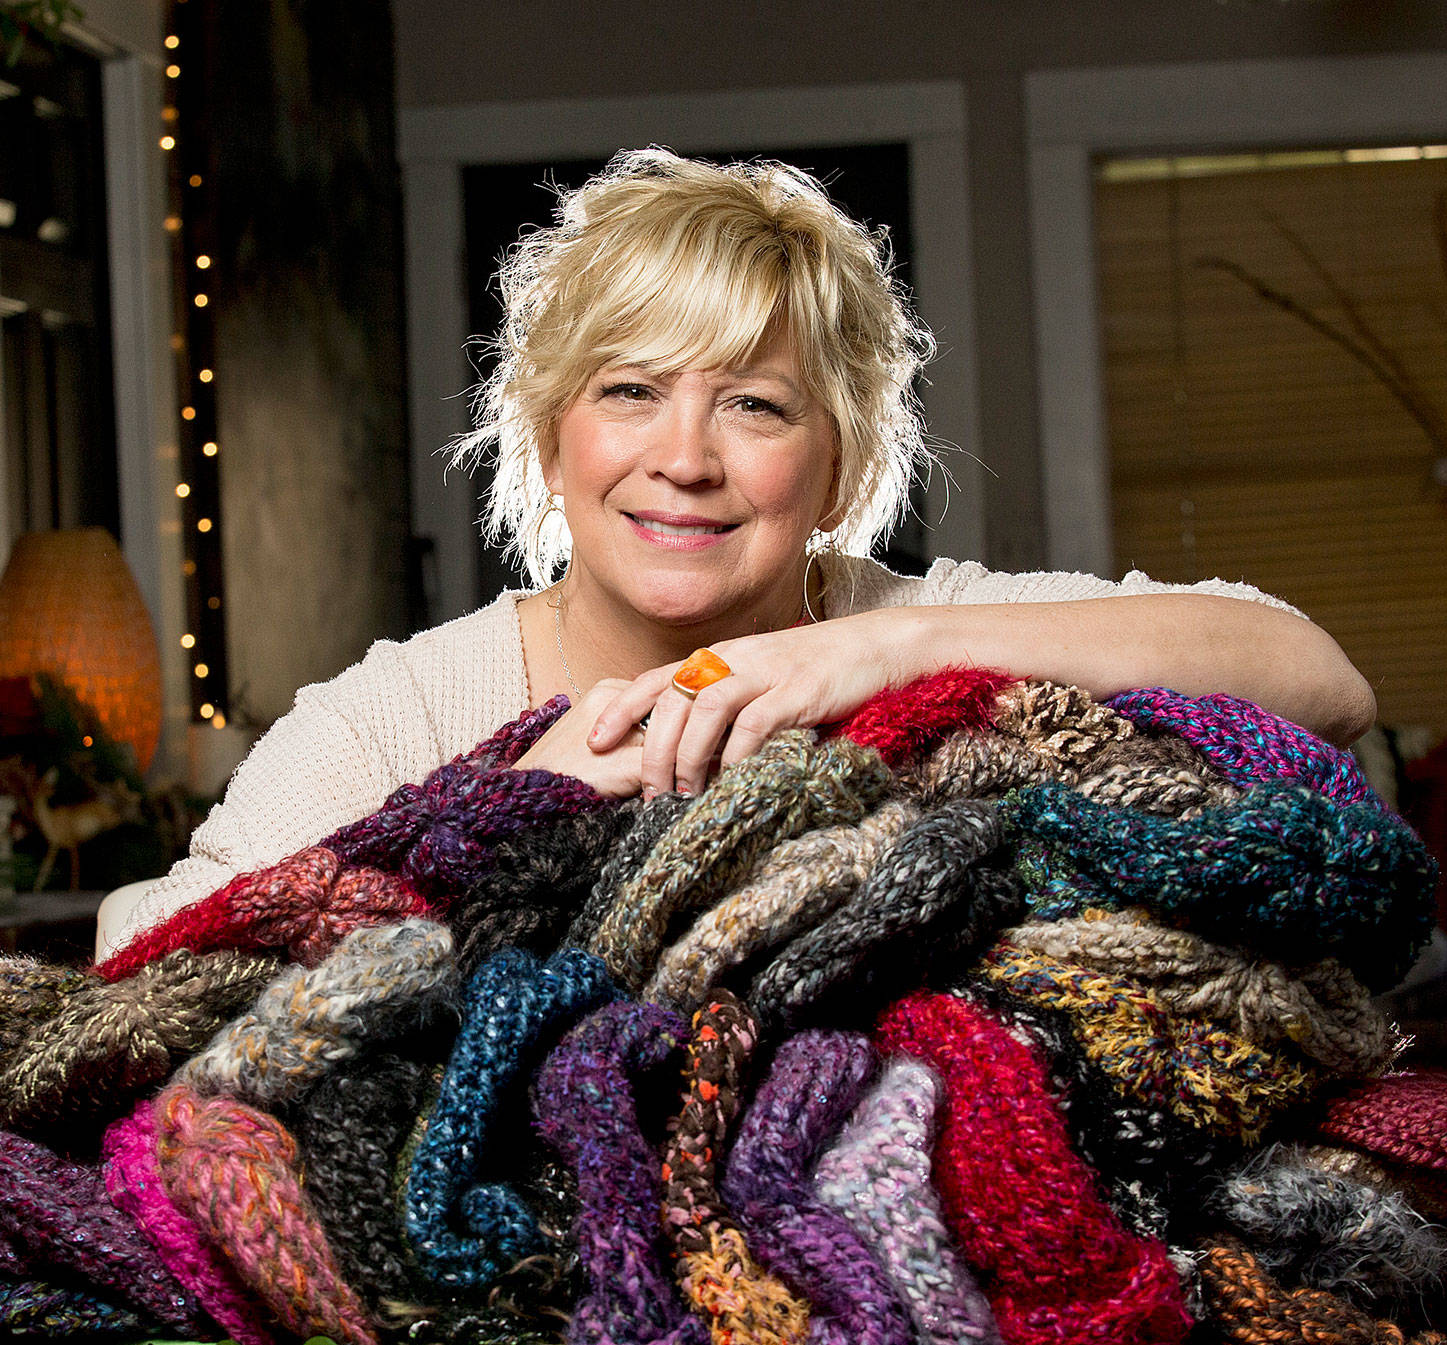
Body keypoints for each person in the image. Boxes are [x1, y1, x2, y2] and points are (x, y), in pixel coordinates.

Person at [96, 149, 1375, 959]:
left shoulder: (923, 622)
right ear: (550, 443)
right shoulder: (408, 709)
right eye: (630, 392)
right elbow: (136, 950)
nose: (686, 458)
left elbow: (1317, 675)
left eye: (755, 404)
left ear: (840, 466)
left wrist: (880, 647)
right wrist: (492, 811)